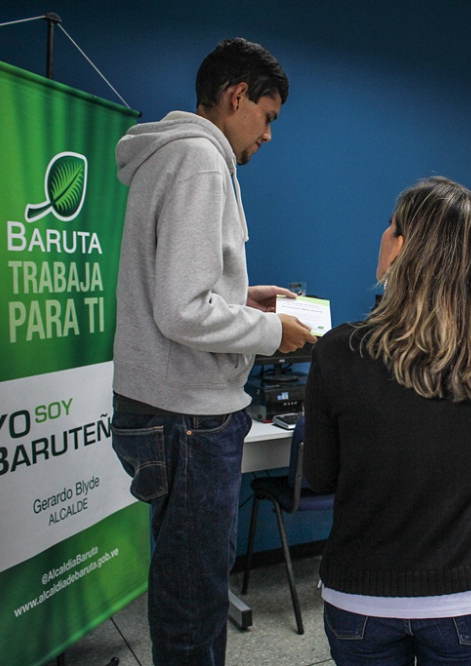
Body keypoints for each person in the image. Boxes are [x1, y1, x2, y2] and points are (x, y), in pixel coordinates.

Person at [110, 38, 316, 666]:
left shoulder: (170, 156)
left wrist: (243, 295)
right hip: (190, 418)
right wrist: (269, 334)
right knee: (195, 597)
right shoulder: (202, 160)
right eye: (268, 116)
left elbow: (176, 285)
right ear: (236, 97)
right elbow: (181, 310)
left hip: (161, 408)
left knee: (181, 581)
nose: (269, 135)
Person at [303, 177, 471, 666]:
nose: (383, 235)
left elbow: (319, 476)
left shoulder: (338, 350)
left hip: (361, 602)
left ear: (403, 249)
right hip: (469, 601)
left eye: (390, 227)